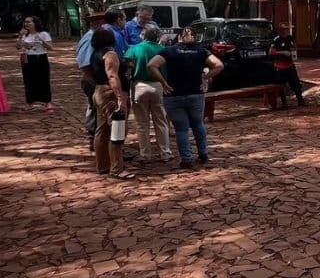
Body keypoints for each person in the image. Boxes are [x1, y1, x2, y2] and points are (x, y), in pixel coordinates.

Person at [148, 27, 223, 169]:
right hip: (195, 93)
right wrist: (205, 77)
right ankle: (203, 153)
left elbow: (151, 65)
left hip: (173, 94)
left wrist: (163, 82)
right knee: (198, 124)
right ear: (194, 37)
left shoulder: (169, 50)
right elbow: (219, 65)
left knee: (181, 129)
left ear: (179, 37)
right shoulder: (201, 51)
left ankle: (186, 158)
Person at [89, 28, 135, 180]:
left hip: (99, 91)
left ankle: (102, 165)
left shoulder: (94, 53)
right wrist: (120, 97)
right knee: (117, 129)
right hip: (110, 94)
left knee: (101, 130)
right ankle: (117, 168)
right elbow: (112, 76)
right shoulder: (110, 54)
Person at [125, 24, 173, 163]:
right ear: (157, 36)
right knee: (161, 121)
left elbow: (127, 67)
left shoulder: (134, 49)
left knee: (142, 123)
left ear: (143, 35)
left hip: (139, 86)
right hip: (158, 85)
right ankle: (165, 152)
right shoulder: (163, 50)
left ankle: (145, 154)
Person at [17, 15, 54, 111]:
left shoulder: (43, 34)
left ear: (35, 23)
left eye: (29, 22)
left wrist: (41, 40)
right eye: (25, 22)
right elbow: (17, 46)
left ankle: (47, 102)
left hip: (40, 57)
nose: (26, 24)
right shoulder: (25, 35)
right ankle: (29, 102)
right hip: (27, 58)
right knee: (28, 81)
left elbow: (50, 47)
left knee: (43, 80)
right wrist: (20, 37)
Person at [76, 15, 99, 150]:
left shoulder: (95, 37)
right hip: (92, 79)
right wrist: (94, 79)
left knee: (94, 109)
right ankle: (93, 138)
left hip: (93, 78)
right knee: (94, 109)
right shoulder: (90, 38)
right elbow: (84, 63)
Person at [270, 22, 305, 107]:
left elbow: (293, 47)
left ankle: (300, 101)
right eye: (285, 29)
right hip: (280, 66)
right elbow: (271, 52)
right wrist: (283, 52)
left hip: (290, 64)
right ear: (281, 30)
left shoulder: (290, 38)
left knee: (296, 83)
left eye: (287, 29)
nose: (287, 31)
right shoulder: (276, 39)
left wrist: (294, 50)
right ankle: (284, 103)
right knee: (281, 85)